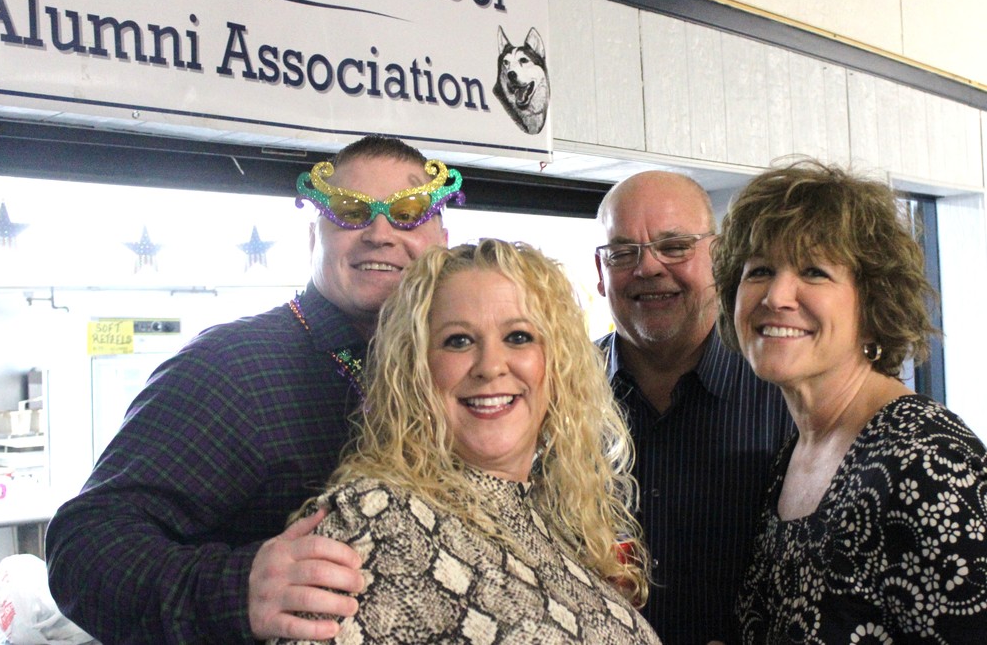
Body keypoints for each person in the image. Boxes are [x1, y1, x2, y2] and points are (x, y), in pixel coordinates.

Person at [45, 135, 463, 644]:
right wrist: (237, 590)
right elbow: (84, 547)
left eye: (409, 213)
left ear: (443, 241)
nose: (380, 233)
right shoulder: (231, 366)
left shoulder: (459, 370)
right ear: (313, 239)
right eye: (351, 212)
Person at [269, 238, 661, 644]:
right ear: (417, 369)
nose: (490, 366)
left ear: (559, 364)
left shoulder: (559, 517)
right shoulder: (373, 518)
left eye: (518, 337)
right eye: (458, 340)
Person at [712, 158, 987, 642]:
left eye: (814, 271)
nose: (776, 296)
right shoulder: (795, 453)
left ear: (875, 304)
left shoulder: (928, 461)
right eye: (760, 270)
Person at [593, 172, 793, 644]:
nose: (648, 268)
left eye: (675, 246)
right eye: (622, 253)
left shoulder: (786, 390)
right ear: (599, 273)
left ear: (719, 258)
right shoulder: (554, 392)